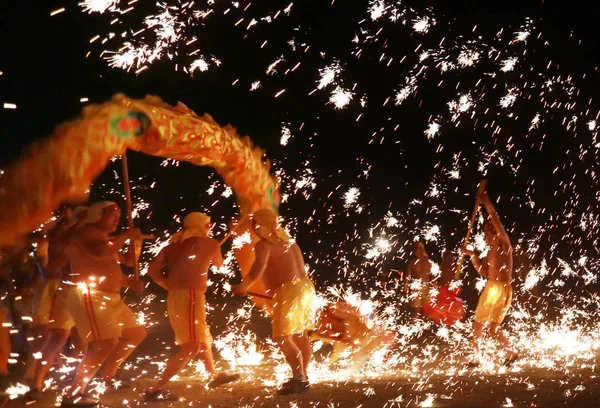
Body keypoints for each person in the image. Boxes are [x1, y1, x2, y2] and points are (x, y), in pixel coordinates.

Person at [60, 201, 148, 407]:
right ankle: (73, 394)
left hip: (112, 298)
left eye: (118, 218)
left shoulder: (105, 239)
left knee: (135, 334)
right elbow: (100, 253)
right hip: (91, 295)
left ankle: (106, 373)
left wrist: (136, 244)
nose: (116, 221)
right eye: (112, 216)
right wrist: (126, 236)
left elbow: (126, 261)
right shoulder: (86, 232)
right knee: (105, 343)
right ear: (96, 215)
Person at [145, 212, 239, 401]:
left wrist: (169, 286)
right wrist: (225, 240)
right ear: (205, 226)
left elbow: (152, 270)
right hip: (190, 297)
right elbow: (219, 265)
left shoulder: (172, 246)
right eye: (209, 225)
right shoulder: (211, 243)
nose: (210, 228)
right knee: (192, 346)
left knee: (203, 337)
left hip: (179, 296)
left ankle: (214, 376)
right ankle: (155, 390)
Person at [232, 209, 316, 395]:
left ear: (259, 225)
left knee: (282, 337)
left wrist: (243, 286)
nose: (253, 228)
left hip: (289, 291)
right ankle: (302, 375)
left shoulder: (264, 244)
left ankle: (299, 379)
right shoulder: (289, 241)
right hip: (305, 288)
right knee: (299, 334)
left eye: (254, 224)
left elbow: (257, 269)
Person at [23, 206, 89, 401]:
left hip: (74, 292)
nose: (67, 224)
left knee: (71, 338)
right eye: (63, 221)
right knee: (45, 335)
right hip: (49, 290)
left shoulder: (81, 239)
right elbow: (48, 269)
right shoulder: (47, 240)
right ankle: (33, 377)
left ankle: (68, 377)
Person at [460, 189, 518, 367]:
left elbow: (497, 220)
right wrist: (471, 255)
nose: (485, 236)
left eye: (487, 233)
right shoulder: (489, 252)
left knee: (486, 326)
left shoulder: (505, 245)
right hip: (492, 288)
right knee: (484, 325)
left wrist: (486, 202)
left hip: (500, 289)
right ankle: (484, 356)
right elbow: (482, 272)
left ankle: (501, 354)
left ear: (495, 234)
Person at [309, 302, 394, 369]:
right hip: (357, 339)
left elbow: (354, 316)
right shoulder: (319, 327)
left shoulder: (335, 311)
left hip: (365, 336)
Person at [404, 242, 432, 319]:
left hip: (426, 287)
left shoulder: (428, 262)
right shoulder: (411, 263)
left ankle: (425, 329)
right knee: (416, 310)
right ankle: (414, 326)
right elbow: (407, 277)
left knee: (427, 310)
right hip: (415, 288)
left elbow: (433, 275)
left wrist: (434, 288)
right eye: (415, 248)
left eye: (419, 248)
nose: (417, 250)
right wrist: (405, 289)